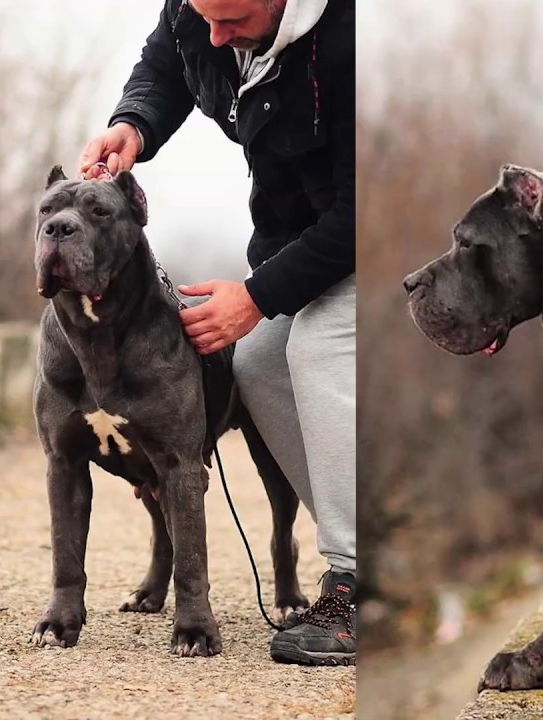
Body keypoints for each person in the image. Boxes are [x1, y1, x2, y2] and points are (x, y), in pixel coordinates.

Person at [79, 0, 355, 666]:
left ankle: (355, 587)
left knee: (315, 350)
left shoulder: (355, 40)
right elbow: (168, 62)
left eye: (232, 20)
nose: (215, 35)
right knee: (258, 365)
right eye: (203, 15)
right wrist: (133, 124)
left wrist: (256, 297)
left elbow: (358, 215)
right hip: (295, 240)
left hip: (369, 238)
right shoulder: (198, 12)